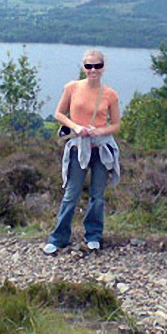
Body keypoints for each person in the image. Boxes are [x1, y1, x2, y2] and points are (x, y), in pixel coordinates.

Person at [43, 49, 121, 255]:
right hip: (78, 148)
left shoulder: (110, 94)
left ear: (103, 67)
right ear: (83, 67)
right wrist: (76, 127)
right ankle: (58, 238)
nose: (93, 70)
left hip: (101, 150)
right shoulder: (72, 88)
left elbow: (116, 125)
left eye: (97, 66)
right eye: (89, 66)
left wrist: (100, 131)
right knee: (71, 194)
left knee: (98, 195)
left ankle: (93, 235)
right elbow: (59, 114)